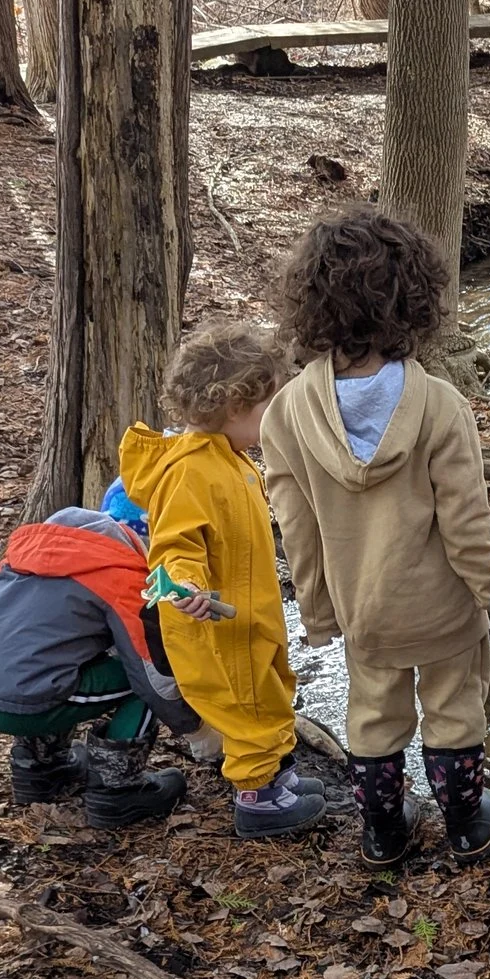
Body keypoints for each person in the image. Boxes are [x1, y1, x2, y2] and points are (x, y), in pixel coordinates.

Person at [261, 207, 490, 866]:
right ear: (414, 300)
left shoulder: (286, 414)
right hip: (445, 609)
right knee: (454, 708)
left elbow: (297, 527)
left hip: (363, 608)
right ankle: (463, 822)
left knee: (372, 715)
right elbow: (468, 526)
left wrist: (318, 613)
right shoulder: (440, 406)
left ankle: (382, 832)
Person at [118, 322, 327, 838]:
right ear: (233, 406)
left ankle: (279, 775)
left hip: (248, 615)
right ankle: (259, 801)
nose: (274, 419)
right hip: (216, 627)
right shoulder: (191, 472)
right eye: (267, 409)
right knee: (245, 705)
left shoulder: (230, 459)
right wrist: (186, 586)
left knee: (268, 689)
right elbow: (173, 548)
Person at [0, 506, 196, 828]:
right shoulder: (118, 574)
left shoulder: (14, 559)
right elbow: (149, 671)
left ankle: (39, 767)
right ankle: (118, 789)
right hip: (26, 701)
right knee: (142, 686)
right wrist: (192, 726)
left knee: (53, 659)